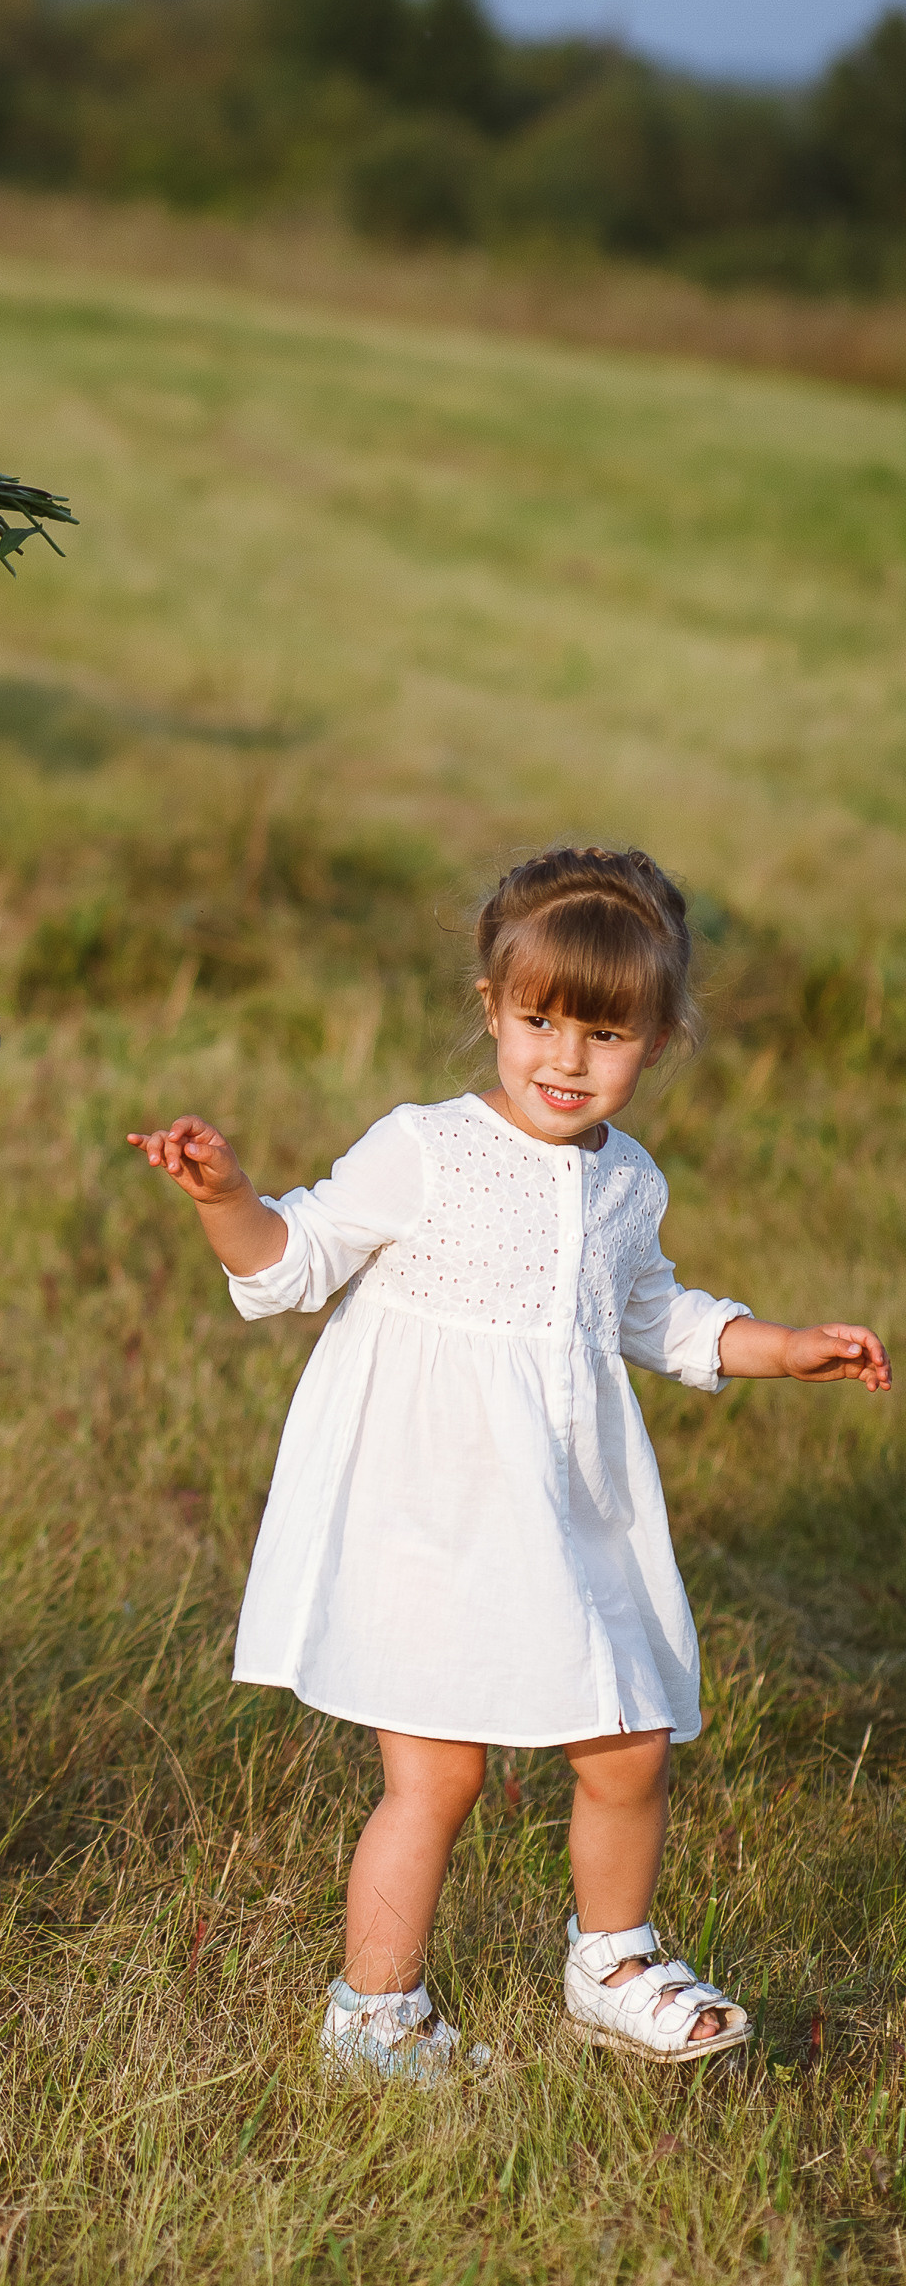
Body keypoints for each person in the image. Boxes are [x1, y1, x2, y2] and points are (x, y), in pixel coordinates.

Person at [131, 842, 890, 2077]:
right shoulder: (426, 1147)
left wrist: (783, 1347)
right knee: (438, 1779)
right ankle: (376, 2016)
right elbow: (292, 1260)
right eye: (541, 1022)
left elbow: (657, 1316)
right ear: (492, 1009)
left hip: (569, 1512)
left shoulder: (628, 1182)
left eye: (607, 1034)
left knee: (630, 1740)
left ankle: (615, 1963)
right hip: (429, 1518)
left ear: (659, 1041)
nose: (567, 1059)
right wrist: (227, 1197)